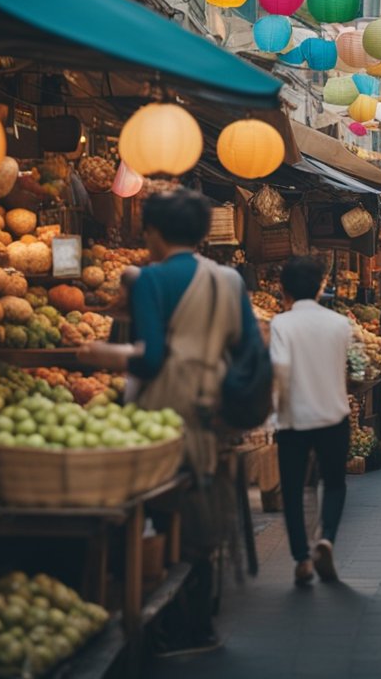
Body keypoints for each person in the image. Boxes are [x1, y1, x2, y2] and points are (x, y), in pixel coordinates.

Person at [80, 187, 253, 653]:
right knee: (200, 519)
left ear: (153, 232)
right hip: (210, 417)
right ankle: (201, 624)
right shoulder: (231, 282)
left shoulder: (151, 281)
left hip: (159, 417)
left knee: (157, 517)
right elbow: (249, 352)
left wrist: (104, 353)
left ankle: (160, 622)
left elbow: (151, 358)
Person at [269, 256, 355, 586]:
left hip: (293, 418)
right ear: (320, 287)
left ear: (284, 289)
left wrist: (274, 410)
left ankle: (302, 559)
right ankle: (327, 538)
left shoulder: (282, 323)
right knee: (333, 482)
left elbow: (280, 368)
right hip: (334, 413)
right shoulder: (339, 324)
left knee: (292, 489)